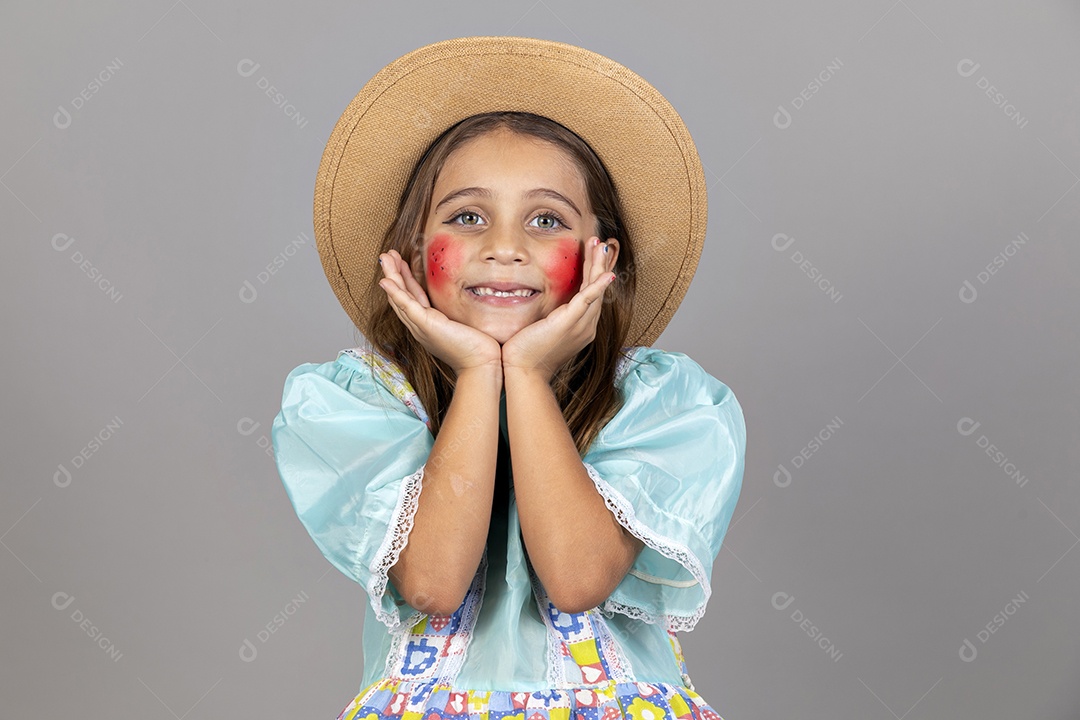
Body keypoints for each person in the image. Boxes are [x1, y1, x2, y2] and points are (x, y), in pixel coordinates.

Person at [272, 36, 746, 720]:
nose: (504, 247)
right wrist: (476, 374)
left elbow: (578, 577)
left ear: (600, 259)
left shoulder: (666, 403)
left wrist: (523, 372)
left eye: (546, 219)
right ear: (409, 252)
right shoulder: (356, 404)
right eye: (467, 216)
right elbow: (434, 583)